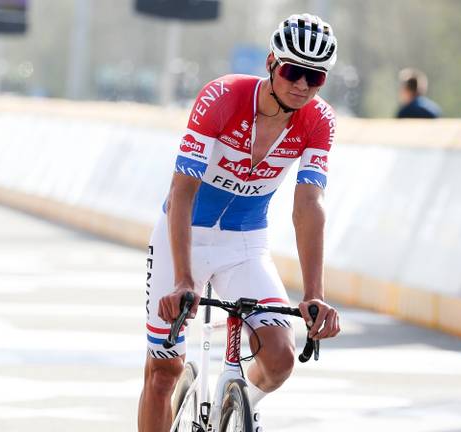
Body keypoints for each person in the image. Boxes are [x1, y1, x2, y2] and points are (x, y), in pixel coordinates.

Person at [138, 13, 342, 432]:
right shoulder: (223, 97)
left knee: (281, 359)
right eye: (293, 71)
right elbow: (183, 193)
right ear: (271, 64)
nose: (302, 85)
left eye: (315, 77)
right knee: (163, 372)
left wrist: (315, 294)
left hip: (246, 244)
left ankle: (236, 409)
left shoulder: (318, 121)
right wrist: (183, 280)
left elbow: (308, 204)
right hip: (186, 236)